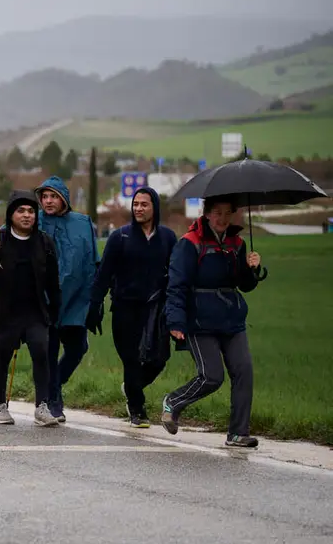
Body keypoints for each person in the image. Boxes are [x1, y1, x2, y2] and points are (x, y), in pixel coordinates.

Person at [161, 195, 264, 448]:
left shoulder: (237, 243)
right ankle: (173, 402)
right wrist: (176, 321)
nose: (222, 218)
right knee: (211, 377)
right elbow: (176, 285)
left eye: (228, 213)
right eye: (217, 213)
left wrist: (251, 269)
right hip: (200, 321)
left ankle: (238, 433)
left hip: (231, 319)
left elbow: (244, 285)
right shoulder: (190, 243)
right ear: (207, 214)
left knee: (244, 372)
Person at [88, 187, 178, 427]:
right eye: (135, 204)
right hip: (124, 309)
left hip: (155, 312)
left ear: (154, 207)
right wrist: (94, 305)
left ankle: (130, 387)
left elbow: (178, 274)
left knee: (159, 360)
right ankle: (137, 410)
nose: (138, 208)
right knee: (131, 360)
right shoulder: (120, 237)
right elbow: (103, 274)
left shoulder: (168, 238)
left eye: (144, 204)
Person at [0, 190, 62, 427]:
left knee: (41, 352)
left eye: (31, 211)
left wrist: (55, 309)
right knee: (2, 356)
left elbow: (53, 281)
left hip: (35, 311)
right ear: (10, 214)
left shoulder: (44, 242)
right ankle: (0, 406)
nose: (27, 215)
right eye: (21, 210)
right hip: (5, 311)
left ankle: (42, 407)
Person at [35, 175, 98, 423]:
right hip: (45, 300)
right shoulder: (33, 220)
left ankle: (55, 384)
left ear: (64, 199)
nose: (48, 201)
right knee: (49, 352)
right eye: (45, 196)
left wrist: (94, 300)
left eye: (54, 196)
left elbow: (92, 260)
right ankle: (53, 401)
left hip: (75, 299)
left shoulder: (82, 223)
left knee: (78, 347)